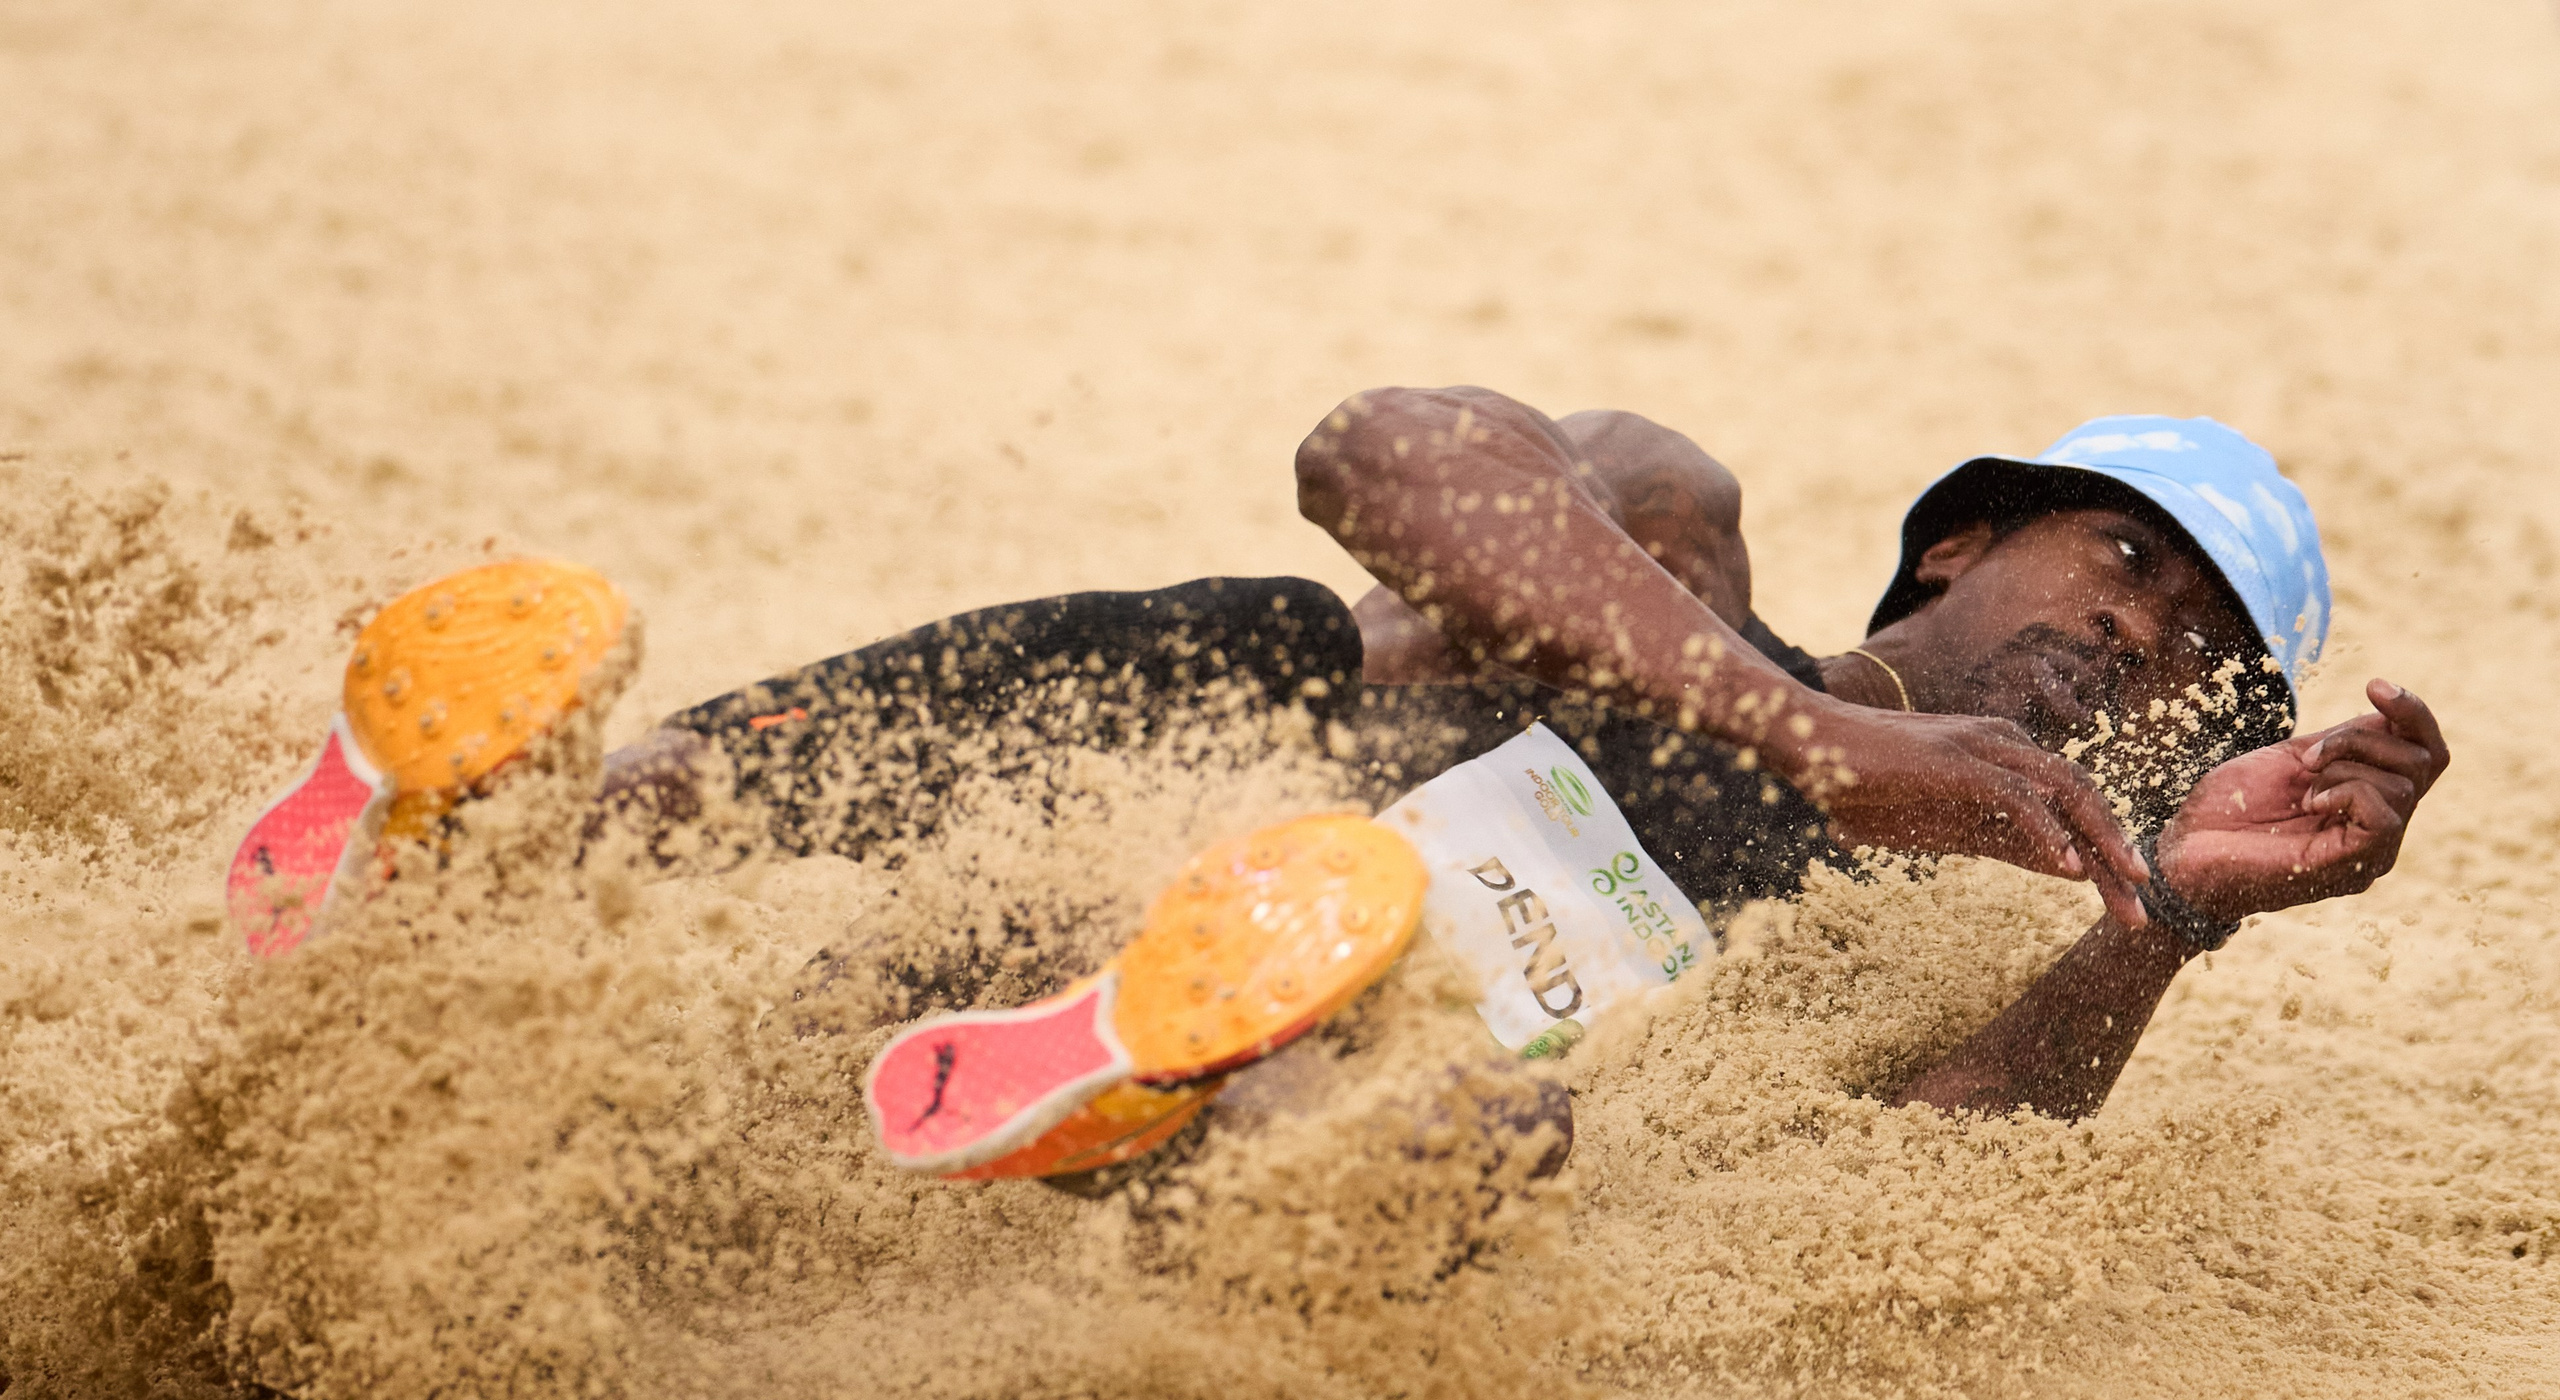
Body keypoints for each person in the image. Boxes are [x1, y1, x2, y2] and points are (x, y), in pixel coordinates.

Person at [228, 395, 2449, 1185]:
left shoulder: (1886, 947)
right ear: (1957, 535)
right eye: (2129, 556)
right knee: (1239, 679)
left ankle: (1112, 1081)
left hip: (1247, 1026)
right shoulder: (1677, 541)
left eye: (2202, 660)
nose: (2152, 633)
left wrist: (2162, 915)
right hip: (1103, 758)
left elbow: (1916, 1183)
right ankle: (491, 831)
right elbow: (1378, 456)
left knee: (1477, 1133)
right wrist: (1827, 739)